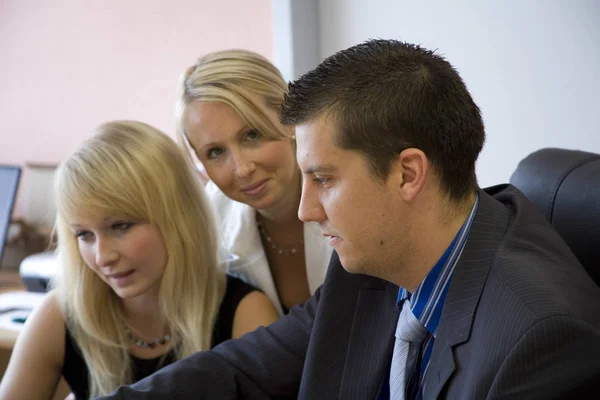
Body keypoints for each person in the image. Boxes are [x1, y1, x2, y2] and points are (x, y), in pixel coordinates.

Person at [98, 40, 600, 399]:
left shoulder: (540, 340)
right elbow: (241, 369)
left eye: (323, 179)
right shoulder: (376, 263)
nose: (303, 210)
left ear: (407, 173)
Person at [0, 121, 279, 400]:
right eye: (84, 235)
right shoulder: (58, 316)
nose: (102, 257)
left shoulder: (246, 314)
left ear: (178, 217)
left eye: (121, 226)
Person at [175, 49, 332, 315]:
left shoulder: (355, 193)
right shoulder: (210, 223)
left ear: (290, 116)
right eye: (215, 152)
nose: (242, 169)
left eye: (251, 135)